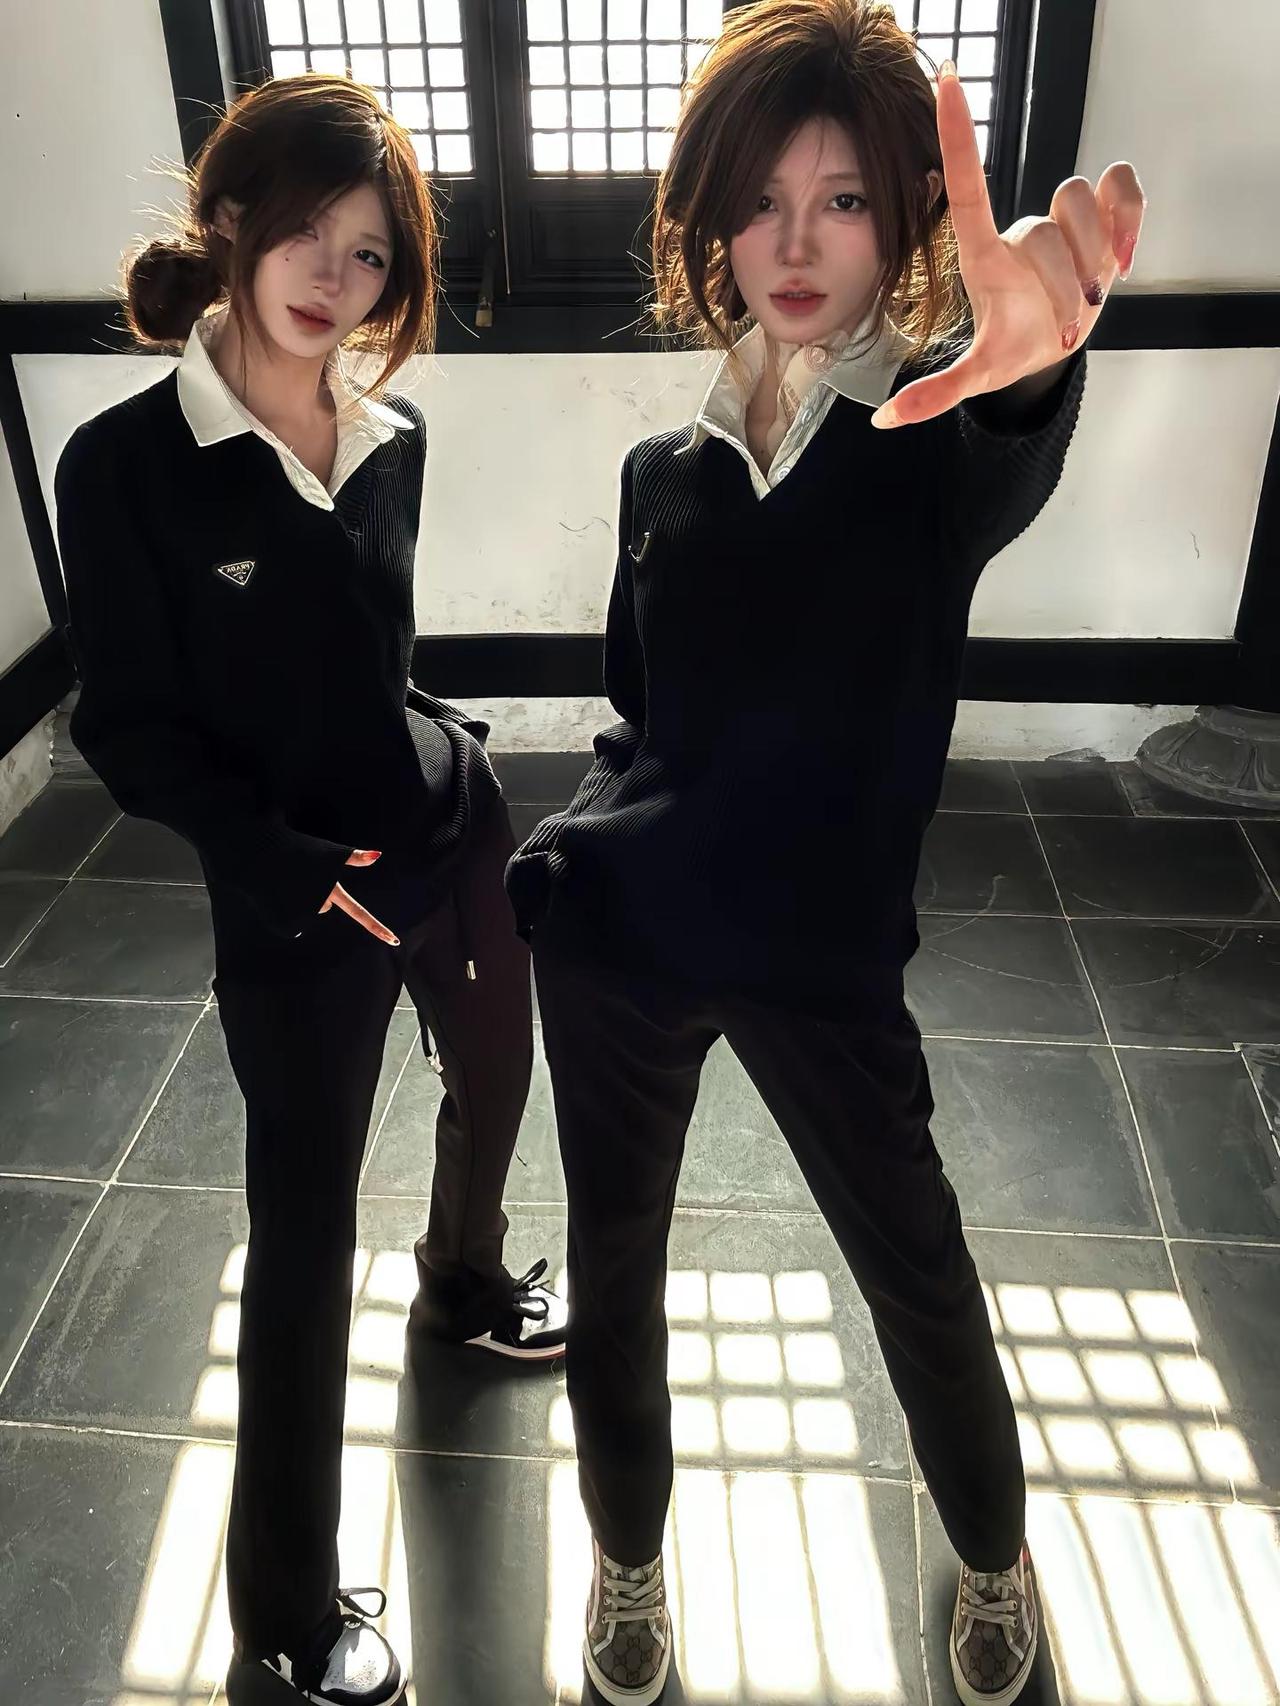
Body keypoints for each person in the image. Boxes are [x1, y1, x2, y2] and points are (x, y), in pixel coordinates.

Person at [505, 4, 1145, 1702]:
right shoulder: (663, 470)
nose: (796, 245)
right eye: (763, 201)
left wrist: (1038, 371)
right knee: (617, 1276)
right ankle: (628, 1552)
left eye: (845, 201)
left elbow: (1008, 447)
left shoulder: (933, 444)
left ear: (903, 224)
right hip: (626, 947)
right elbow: (642, 708)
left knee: (917, 1270)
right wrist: (573, 855)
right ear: (712, 220)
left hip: (824, 961)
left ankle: (992, 1549)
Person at [53, 74, 566, 1706]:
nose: (334, 279)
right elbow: (129, 729)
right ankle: (283, 1609)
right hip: (294, 901)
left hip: (446, 826)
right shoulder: (124, 466)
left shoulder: (391, 440)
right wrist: (280, 868)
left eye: (370, 253)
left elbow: (371, 655)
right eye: (306, 234)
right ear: (228, 224)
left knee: (497, 1075)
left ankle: (466, 1283)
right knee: (300, 1231)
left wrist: (445, 762)